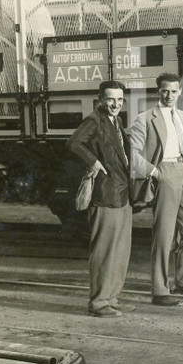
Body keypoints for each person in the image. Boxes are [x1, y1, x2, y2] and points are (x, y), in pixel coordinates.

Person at [129, 73, 183, 307]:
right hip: (164, 173)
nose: (169, 95)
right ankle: (160, 290)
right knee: (164, 235)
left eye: (174, 91)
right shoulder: (144, 119)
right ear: (158, 92)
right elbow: (132, 154)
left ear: (180, 92)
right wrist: (155, 172)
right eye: (165, 91)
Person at [66, 80, 135, 318]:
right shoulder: (94, 120)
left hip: (121, 193)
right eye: (110, 99)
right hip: (106, 194)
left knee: (119, 250)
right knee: (105, 251)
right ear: (100, 99)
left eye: (119, 99)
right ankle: (98, 302)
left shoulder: (115, 121)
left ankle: (111, 298)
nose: (115, 104)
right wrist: (94, 163)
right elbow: (74, 142)